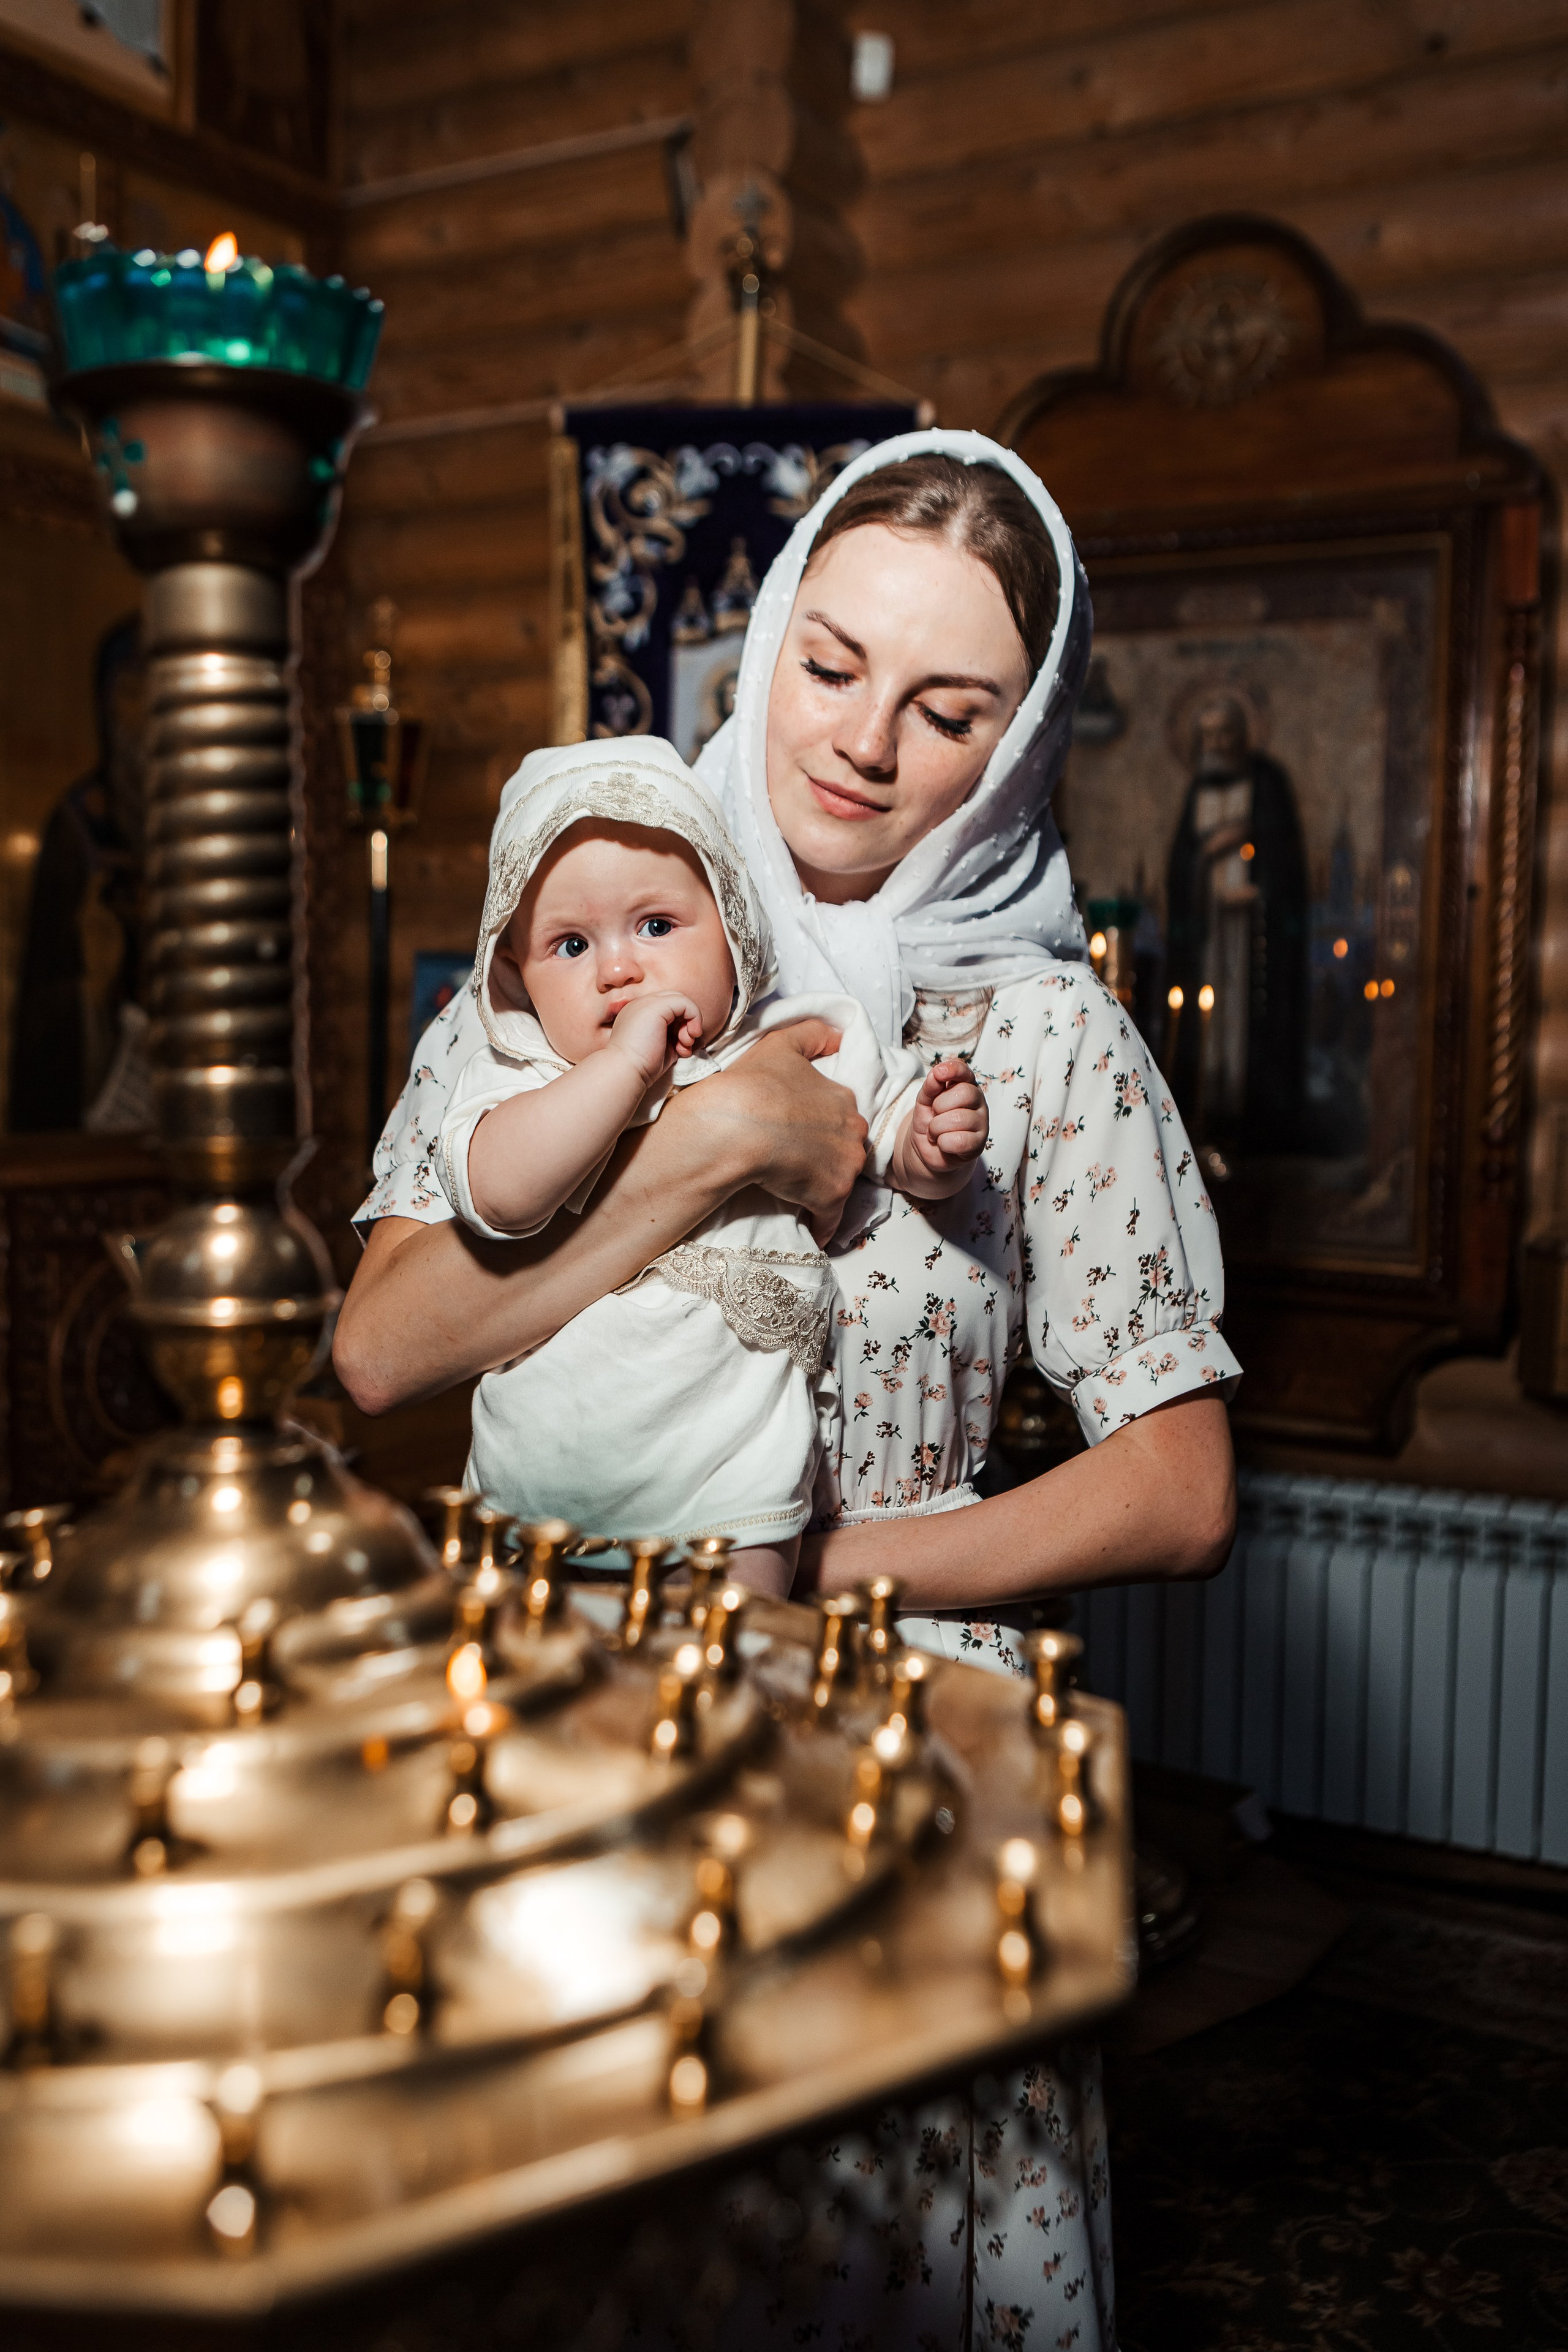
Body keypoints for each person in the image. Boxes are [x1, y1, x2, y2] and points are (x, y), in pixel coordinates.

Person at [337, 428, 1241, 2348]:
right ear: (764, 643)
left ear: (1016, 740)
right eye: (827, 664)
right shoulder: (573, 947)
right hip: (570, 1732)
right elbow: (383, 1348)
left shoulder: (1052, 1035)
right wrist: (711, 1141)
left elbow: (1176, 1493)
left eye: (947, 709)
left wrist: (822, 1565)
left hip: (895, 1750)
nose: (860, 743)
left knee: (859, 2275)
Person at [430, 736, 986, 1591]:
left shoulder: (794, 1038)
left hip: (735, 1491)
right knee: (541, 1704)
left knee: (741, 1693)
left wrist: (929, 1141)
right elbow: (502, 1197)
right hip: (538, 1493)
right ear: (517, 975)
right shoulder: (521, 1078)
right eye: (571, 946)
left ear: (732, 929)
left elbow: (873, 1124)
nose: (620, 970)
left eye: (657, 927)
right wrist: (623, 1071)